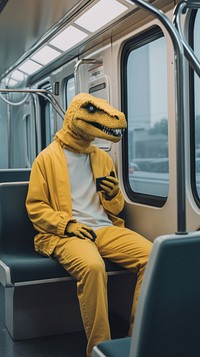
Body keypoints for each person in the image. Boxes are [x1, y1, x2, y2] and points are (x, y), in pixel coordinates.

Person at [26, 93, 152, 357]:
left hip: (104, 228)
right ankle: (99, 347)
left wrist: (113, 194)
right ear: (73, 116)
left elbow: (115, 209)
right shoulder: (46, 159)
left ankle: (137, 339)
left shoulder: (103, 158)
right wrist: (67, 225)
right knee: (93, 267)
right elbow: (36, 208)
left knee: (154, 257)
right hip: (66, 234)